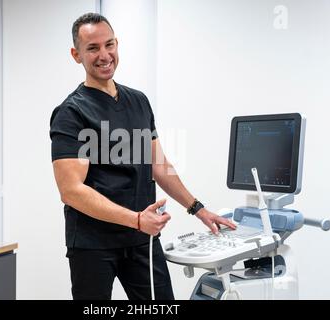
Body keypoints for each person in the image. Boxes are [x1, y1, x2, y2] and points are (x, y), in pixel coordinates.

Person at [50, 12, 236, 300]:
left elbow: (159, 166)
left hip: (141, 240)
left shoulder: (138, 101)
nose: (104, 55)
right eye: (93, 48)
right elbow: (71, 191)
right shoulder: (71, 113)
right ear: (76, 55)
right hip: (93, 244)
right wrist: (136, 219)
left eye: (109, 44)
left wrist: (198, 208)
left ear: (117, 44)